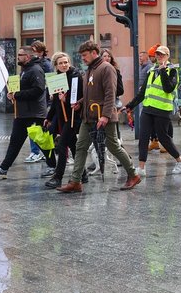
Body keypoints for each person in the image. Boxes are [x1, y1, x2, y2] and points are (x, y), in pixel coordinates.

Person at [59, 41, 140, 193]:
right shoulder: (90, 69)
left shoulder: (107, 68)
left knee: (113, 146)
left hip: (103, 117)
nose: (82, 58)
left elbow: (111, 93)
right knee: (81, 147)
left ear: (94, 53)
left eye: (84, 55)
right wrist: (80, 103)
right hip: (88, 116)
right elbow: (90, 94)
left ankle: (133, 174)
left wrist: (105, 116)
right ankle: (76, 181)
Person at [124, 45, 181, 177]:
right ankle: (141, 167)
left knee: (164, 139)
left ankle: (180, 160)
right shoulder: (152, 70)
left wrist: (163, 71)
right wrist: (130, 105)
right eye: (158, 54)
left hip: (163, 110)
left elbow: (168, 88)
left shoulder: (172, 70)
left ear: (167, 56)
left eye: (162, 55)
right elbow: (142, 92)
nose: (159, 57)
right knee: (143, 137)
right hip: (148, 109)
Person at [0, 46, 47, 178]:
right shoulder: (25, 70)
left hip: (34, 113)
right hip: (22, 113)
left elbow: (38, 90)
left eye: (20, 55)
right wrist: (12, 95)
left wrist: (17, 95)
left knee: (42, 142)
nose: (17, 57)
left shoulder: (36, 70)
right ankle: (3, 168)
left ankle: (54, 166)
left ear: (28, 56)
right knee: (15, 141)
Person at [44, 52, 85, 189]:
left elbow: (78, 99)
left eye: (66, 62)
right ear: (56, 65)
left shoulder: (75, 76)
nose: (64, 65)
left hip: (73, 117)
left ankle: (58, 177)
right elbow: (56, 102)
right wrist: (49, 117)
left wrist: (66, 100)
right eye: (60, 63)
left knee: (61, 145)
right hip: (62, 117)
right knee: (72, 145)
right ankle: (82, 173)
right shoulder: (56, 78)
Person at [24, 40, 53, 164]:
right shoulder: (30, 65)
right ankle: (37, 151)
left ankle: (37, 152)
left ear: (41, 52)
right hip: (35, 100)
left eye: (34, 51)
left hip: (43, 100)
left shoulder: (45, 64)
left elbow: (50, 80)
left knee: (37, 127)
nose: (32, 54)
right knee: (34, 127)